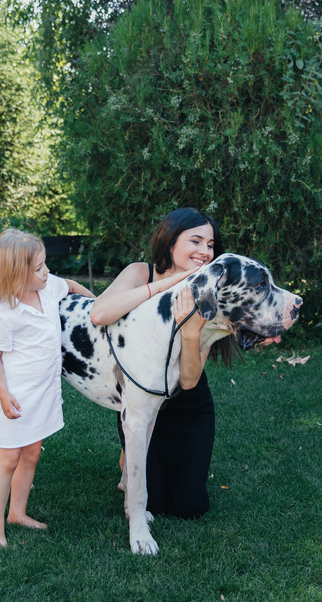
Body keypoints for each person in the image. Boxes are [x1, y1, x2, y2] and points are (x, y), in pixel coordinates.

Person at [89, 207, 234, 519]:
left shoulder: (206, 292)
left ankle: (138, 458)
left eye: (210, 245)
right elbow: (99, 314)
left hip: (187, 405)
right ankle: (129, 454)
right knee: (151, 503)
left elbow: (189, 381)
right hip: (140, 401)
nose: (205, 251)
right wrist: (166, 284)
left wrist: (193, 331)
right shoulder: (141, 273)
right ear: (171, 242)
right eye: (196, 241)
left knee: (189, 507)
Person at [0, 228, 95, 548]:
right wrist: (3, 395)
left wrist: (95, 305)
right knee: (8, 460)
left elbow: (70, 285)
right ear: (15, 275)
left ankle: (17, 513)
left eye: (46, 264)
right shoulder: (7, 313)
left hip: (44, 392)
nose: (47, 272)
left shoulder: (48, 288)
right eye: (39, 268)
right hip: (17, 397)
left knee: (31, 455)